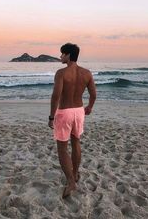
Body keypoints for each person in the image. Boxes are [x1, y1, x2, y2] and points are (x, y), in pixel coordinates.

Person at [48, 43, 96, 198]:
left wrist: (51, 116)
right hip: (79, 111)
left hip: (65, 112)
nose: (60, 56)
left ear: (68, 55)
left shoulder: (61, 73)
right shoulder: (86, 73)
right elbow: (93, 94)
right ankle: (74, 174)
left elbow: (56, 96)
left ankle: (71, 182)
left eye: (62, 54)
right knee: (76, 142)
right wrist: (89, 107)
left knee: (62, 149)